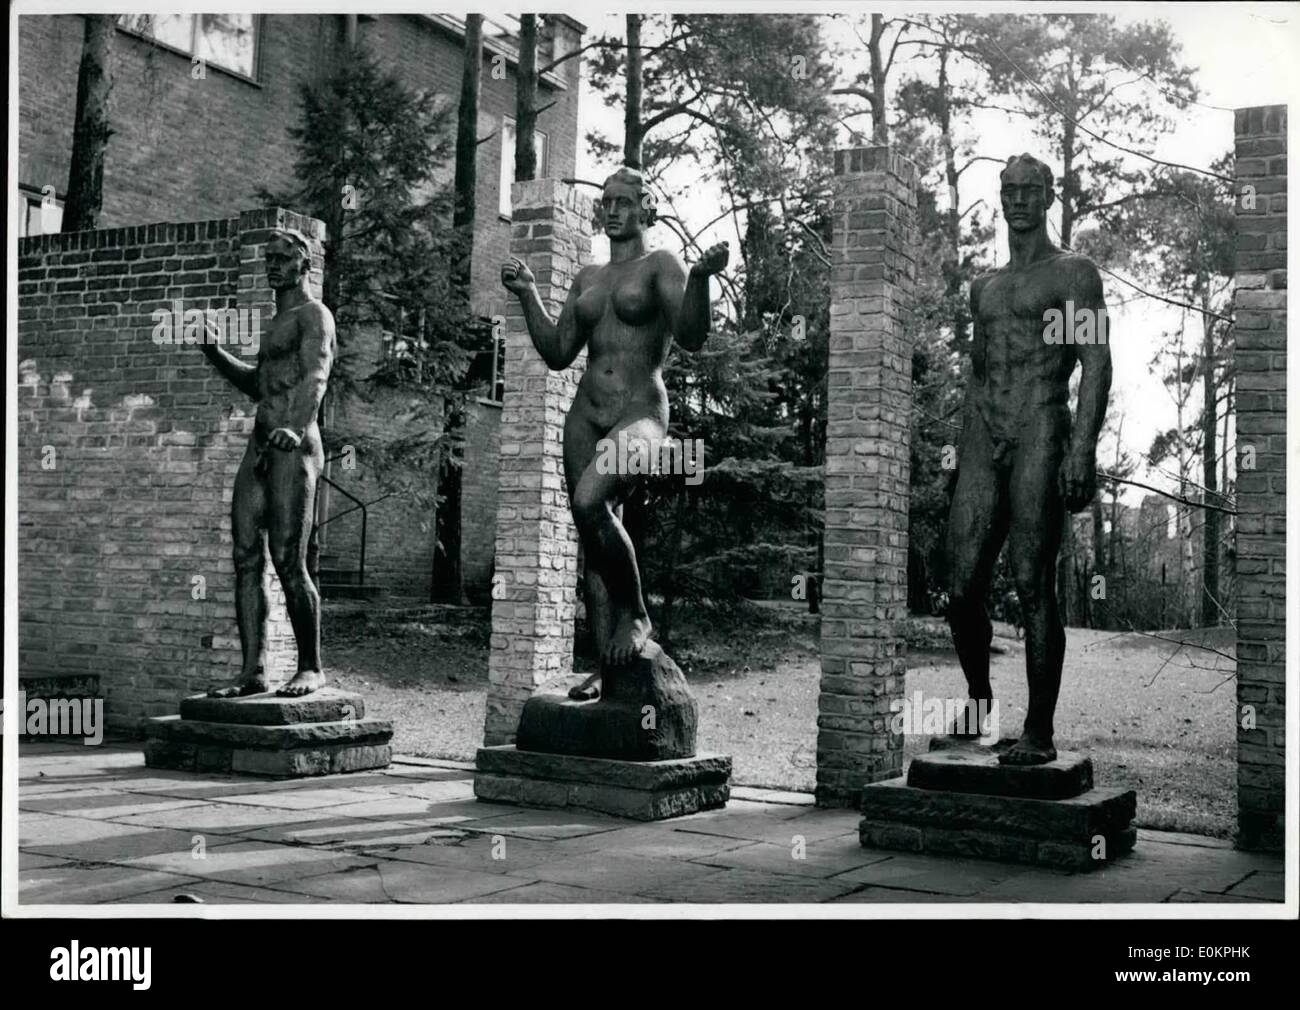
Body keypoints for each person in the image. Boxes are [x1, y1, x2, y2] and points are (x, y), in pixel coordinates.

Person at [501, 167, 728, 700]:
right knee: (592, 539)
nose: (611, 210)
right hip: (586, 412)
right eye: (605, 201)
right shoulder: (588, 277)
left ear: (646, 209)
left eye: (623, 202)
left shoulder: (661, 265)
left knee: (588, 501)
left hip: (640, 413)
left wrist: (700, 278)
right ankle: (608, 668)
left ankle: (638, 615)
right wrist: (529, 293)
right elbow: (558, 353)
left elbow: (692, 336)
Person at [946, 154, 1112, 764]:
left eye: (1029, 190)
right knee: (960, 587)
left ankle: (1038, 731)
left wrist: (1083, 449)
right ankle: (978, 706)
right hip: (985, 435)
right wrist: (958, 460)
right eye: (1008, 190)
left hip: (1043, 423)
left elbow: (1096, 363)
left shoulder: (1073, 274)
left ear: (1048, 196)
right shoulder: (983, 287)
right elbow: (980, 373)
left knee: (1030, 581)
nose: (1017, 199)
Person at [199, 229, 335, 698]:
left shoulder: (314, 315)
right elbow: (261, 383)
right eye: (268, 259)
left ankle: (311, 667)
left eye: (282, 258)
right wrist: (215, 353)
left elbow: (317, 375)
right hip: (260, 444)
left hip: (293, 447)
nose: (271, 266)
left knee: (288, 560)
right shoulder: (277, 320)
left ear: (304, 264)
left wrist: (296, 426)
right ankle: (252, 670)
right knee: (245, 557)